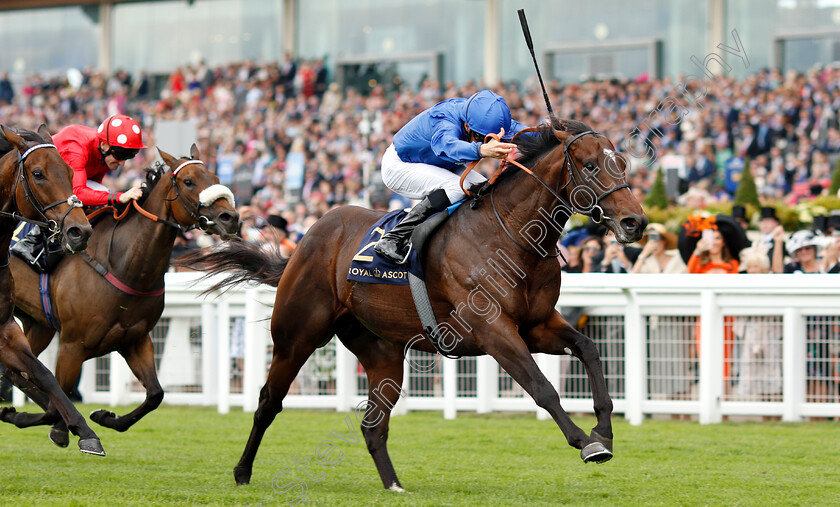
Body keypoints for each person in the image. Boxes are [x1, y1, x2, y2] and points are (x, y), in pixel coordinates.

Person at [373, 89, 527, 263]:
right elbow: (446, 146)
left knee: (486, 190)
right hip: (400, 165)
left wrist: (555, 132)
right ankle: (392, 238)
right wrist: (481, 150)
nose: (486, 141)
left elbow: (522, 131)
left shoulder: (478, 115)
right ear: (468, 126)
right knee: (455, 187)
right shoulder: (444, 119)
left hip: (435, 163)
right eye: (482, 138)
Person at [12, 114, 147, 266]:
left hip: (62, 182)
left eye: (130, 156)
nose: (123, 163)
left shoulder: (105, 155)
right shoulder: (76, 147)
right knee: (103, 193)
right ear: (104, 146)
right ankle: (28, 242)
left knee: (100, 194)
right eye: (121, 155)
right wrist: (119, 197)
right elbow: (78, 193)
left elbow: (92, 193)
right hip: (40, 180)